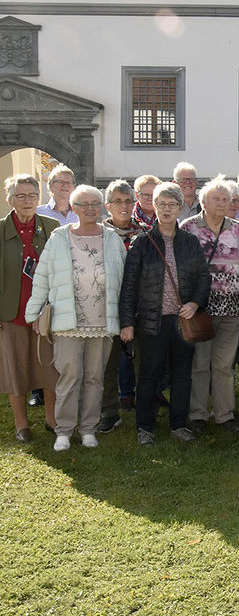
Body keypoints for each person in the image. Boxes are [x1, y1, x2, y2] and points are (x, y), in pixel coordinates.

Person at [25, 185, 126, 451]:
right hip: (67, 322)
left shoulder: (112, 239)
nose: (90, 208)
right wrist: (33, 312)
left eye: (95, 203)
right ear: (74, 208)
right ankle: (64, 430)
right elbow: (43, 278)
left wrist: (126, 318)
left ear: (101, 206)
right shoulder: (59, 237)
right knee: (69, 376)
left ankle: (88, 428)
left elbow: (125, 281)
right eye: (83, 204)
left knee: (95, 377)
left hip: (103, 321)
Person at [119, 182, 211, 446]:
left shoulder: (191, 243)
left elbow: (203, 279)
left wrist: (195, 303)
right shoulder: (142, 243)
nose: (166, 209)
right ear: (154, 206)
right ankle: (145, 428)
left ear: (181, 207)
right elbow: (129, 286)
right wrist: (127, 323)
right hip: (151, 321)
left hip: (183, 322)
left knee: (183, 374)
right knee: (149, 374)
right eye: (161, 204)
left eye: (172, 204)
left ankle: (178, 425)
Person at [181, 175, 239, 434]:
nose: (223, 203)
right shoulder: (188, 228)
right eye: (217, 199)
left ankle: (224, 414)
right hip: (201, 309)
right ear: (203, 201)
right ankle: (198, 414)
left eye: (227, 199)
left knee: (223, 365)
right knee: (200, 363)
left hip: (232, 308)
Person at [0, 175, 59, 442]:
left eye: (32, 195)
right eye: (21, 196)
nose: (27, 201)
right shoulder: (1, 230)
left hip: (45, 314)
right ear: (10, 199)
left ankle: (52, 419)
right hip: (10, 312)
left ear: (40, 198)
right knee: (16, 369)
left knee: (50, 368)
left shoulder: (52, 227)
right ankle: (21, 425)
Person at [99, 179, 150, 431]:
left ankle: (145, 411)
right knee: (107, 364)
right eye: (117, 201)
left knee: (144, 363)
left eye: (128, 200)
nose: (123, 206)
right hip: (106, 307)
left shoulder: (145, 233)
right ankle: (109, 412)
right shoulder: (97, 234)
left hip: (140, 308)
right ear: (107, 205)